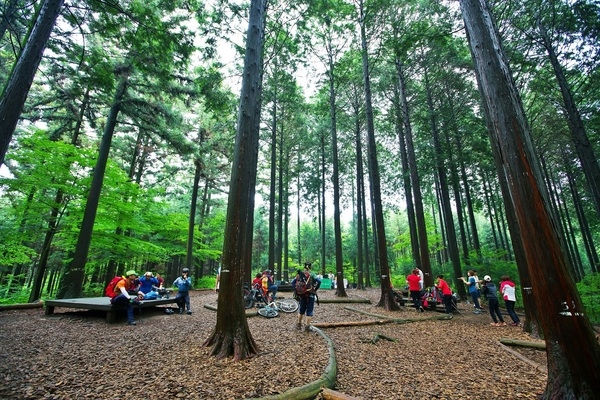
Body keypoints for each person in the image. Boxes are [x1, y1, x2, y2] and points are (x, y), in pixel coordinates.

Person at [291, 262, 321, 331]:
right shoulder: (312, 274)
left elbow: (293, 283)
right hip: (310, 294)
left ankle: (299, 324)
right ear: (310, 267)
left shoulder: (300, 274)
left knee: (301, 309)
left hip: (302, 294)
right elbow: (319, 281)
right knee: (309, 310)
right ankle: (307, 327)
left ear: (304, 267)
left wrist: (297, 290)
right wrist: (315, 289)